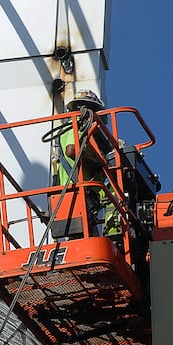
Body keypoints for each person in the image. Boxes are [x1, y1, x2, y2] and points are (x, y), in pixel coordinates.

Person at [51, 90, 119, 236]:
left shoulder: (72, 127)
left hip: (75, 192)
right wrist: (97, 162)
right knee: (86, 235)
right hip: (79, 191)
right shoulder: (78, 124)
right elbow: (71, 151)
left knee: (81, 236)